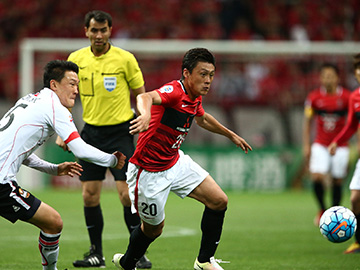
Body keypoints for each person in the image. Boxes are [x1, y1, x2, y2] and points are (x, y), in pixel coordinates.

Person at [111, 48, 252, 270]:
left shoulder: (194, 97)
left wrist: (231, 134)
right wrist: (146, 114)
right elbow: (144, 96)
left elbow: (202, 118)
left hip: (175, 162)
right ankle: (128, 262)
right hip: (148, 172)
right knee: (154, 230)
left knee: (219, 201)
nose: (208, 81)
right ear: (186, 73)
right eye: (203, 74)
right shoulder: (175, 91)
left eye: (211, 75)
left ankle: (204, 261)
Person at [0, 59, 126, 270]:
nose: (76, 90)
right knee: (53, 222)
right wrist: (113, 160)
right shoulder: (55, 108)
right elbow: (80, 149)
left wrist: (54, 169)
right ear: (54, 85)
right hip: (2, 182)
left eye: (78, 85)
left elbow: (20, 152)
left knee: (52, 222)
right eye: (71, 83)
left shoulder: (30, 100)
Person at [55, 10, 151, 269]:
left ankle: (137, 254)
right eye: (94, 30)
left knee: (125, 196)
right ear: (86, 31)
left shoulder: (124, 59)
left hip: (120, 132)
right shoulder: (75, 59)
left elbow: (141, 93)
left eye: (103, 30)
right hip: (91, 133)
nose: (99, 35)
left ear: (110, 31)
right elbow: (66, 96)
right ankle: (95, 253)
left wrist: (144, 119)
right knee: (89, 195)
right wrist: (63, 130)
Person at [302, 63, 351, 225]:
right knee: (317, 176)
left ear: (337, 77)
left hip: (340, 145)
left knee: (338, 179)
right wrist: (306, 145)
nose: (327, 79)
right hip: (321, 143)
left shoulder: (347, 98)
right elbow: (308, 122)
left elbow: (354, 121)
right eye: (324, 76)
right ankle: (322, 209)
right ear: (321, 78)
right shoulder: (314, 97)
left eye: (331, 76)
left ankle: (334, 211)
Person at [329, 53, 360, 254]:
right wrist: (337, 141)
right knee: (356, 199)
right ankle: (358, 241)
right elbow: (351, 125)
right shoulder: (355, 97)